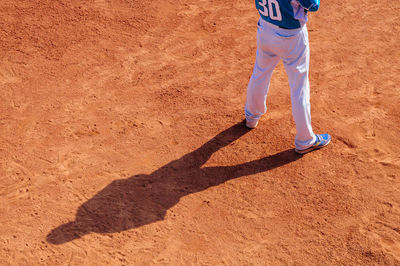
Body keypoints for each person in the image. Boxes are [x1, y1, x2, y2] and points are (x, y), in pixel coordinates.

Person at [244, 0, 331, 154]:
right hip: (290, 37)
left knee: (260, 72)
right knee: (299, 86)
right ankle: (305, 140)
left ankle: (251, 117)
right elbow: (313, 5)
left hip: (264, 28)